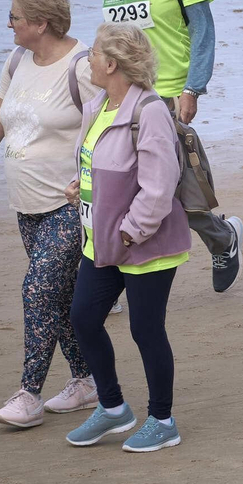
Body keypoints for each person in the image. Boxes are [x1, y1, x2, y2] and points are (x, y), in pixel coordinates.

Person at [0, 0, 100, 428]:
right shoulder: (16, 60)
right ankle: (87, 380)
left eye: (14, 16)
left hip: (69, 205)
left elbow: (110, 124)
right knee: (59, 296)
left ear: (40, 22)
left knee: (36, 290)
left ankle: (29, 394)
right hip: (26, 206)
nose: (8, 24)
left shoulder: (83, 66)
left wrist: (85, 181)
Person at [104, 0, 243, 291]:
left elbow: (202, 26)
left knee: (173, 187)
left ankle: (224, 239)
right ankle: (113, 276)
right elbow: (116, 26)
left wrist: (192, 88)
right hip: (122, 87)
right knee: (115, 181)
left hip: (165, 90)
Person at [63, 24, 193, 452]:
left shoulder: (150, 111)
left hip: (143, 244)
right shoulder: (99, 103)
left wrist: (128, 232)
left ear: (112, 63)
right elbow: (98, 162)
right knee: (83, 317)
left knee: (145, 329)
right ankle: (114, 408)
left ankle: (162, 419)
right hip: (99, 239)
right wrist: (80, 186)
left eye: (95, 52)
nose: (88, 59)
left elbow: (158, 187)